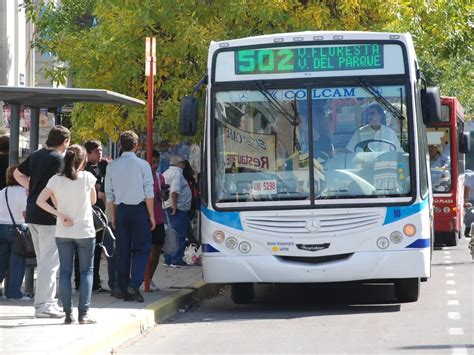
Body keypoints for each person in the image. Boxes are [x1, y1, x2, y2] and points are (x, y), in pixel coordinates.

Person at [36, 144, 97, 324]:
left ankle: (68, 313)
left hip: (63, 230)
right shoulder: (87, 178)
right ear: (83, 160)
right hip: (85, 230)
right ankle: (84, 314)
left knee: (64, 272)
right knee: (86, 272)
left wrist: (60, 214)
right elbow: (93, 201)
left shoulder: (55, 180)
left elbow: (40, 201)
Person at [14, 125, 70, 318]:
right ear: (65, 142)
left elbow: (16, 173)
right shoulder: (60, 159)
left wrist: (30, 185)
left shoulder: (36, 155)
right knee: (49, 262)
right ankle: (44, 305)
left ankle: (47, 302)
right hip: (48, 216)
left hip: (32, 213)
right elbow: (57, 190)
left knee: (44, 260)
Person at [104, 131, 155, 302]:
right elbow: (149, 192)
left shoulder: (111, 166)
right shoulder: (143, 165)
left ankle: (124, 287)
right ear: (136, 145)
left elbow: (109, 195)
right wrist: (151, 215)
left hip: (121, 210)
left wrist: (112, 217)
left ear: (120, 145)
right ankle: (135, 283)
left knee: (122, 250)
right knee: (142, 248)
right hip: (139, 210)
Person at [74, 140, 108, 293]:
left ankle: (95, 281)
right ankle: (80, 281)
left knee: (97, 248)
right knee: (81, 250)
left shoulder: (104, 166)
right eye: (96, 151)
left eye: (101, 150)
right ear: (88, 153)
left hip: (99, 213)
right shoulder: (83, 169)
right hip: (86, 212)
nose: (100, 153)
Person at [142, 149, 169, 292]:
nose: (155, 165)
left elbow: (165, 198)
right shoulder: (141, 177)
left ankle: (149, 278)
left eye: (157, 162)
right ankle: (141, 277)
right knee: (144, 251)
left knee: (157, 250)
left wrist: (163, 194)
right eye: (153, 162)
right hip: (144, 218)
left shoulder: (160, 178)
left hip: (158, 218)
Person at [0, 165, 27, 300]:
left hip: (1, 227)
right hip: (17, 228)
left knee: (2, 261)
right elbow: (25, 214)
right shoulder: (22, 192)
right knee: (17, 262)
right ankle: (14, 293)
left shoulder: (2, 191)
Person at [163, 156, 192, 268]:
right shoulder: (177, 173)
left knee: (169, 234)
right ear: (180, 164)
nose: (184, 166)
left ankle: (168, 259)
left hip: (167, 206)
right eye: (183, 164)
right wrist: (174, 206)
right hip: (177, 208)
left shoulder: (166, 172)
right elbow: (174, 190)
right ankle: (176, 260)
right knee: (178, 234)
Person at [182, 159, 200, 246]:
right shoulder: (191, 179)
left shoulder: (183, 179)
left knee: (186, 228)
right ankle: (193, 243)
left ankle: (193, 243)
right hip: (192, 206)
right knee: (188, 228)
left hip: (187, 207)